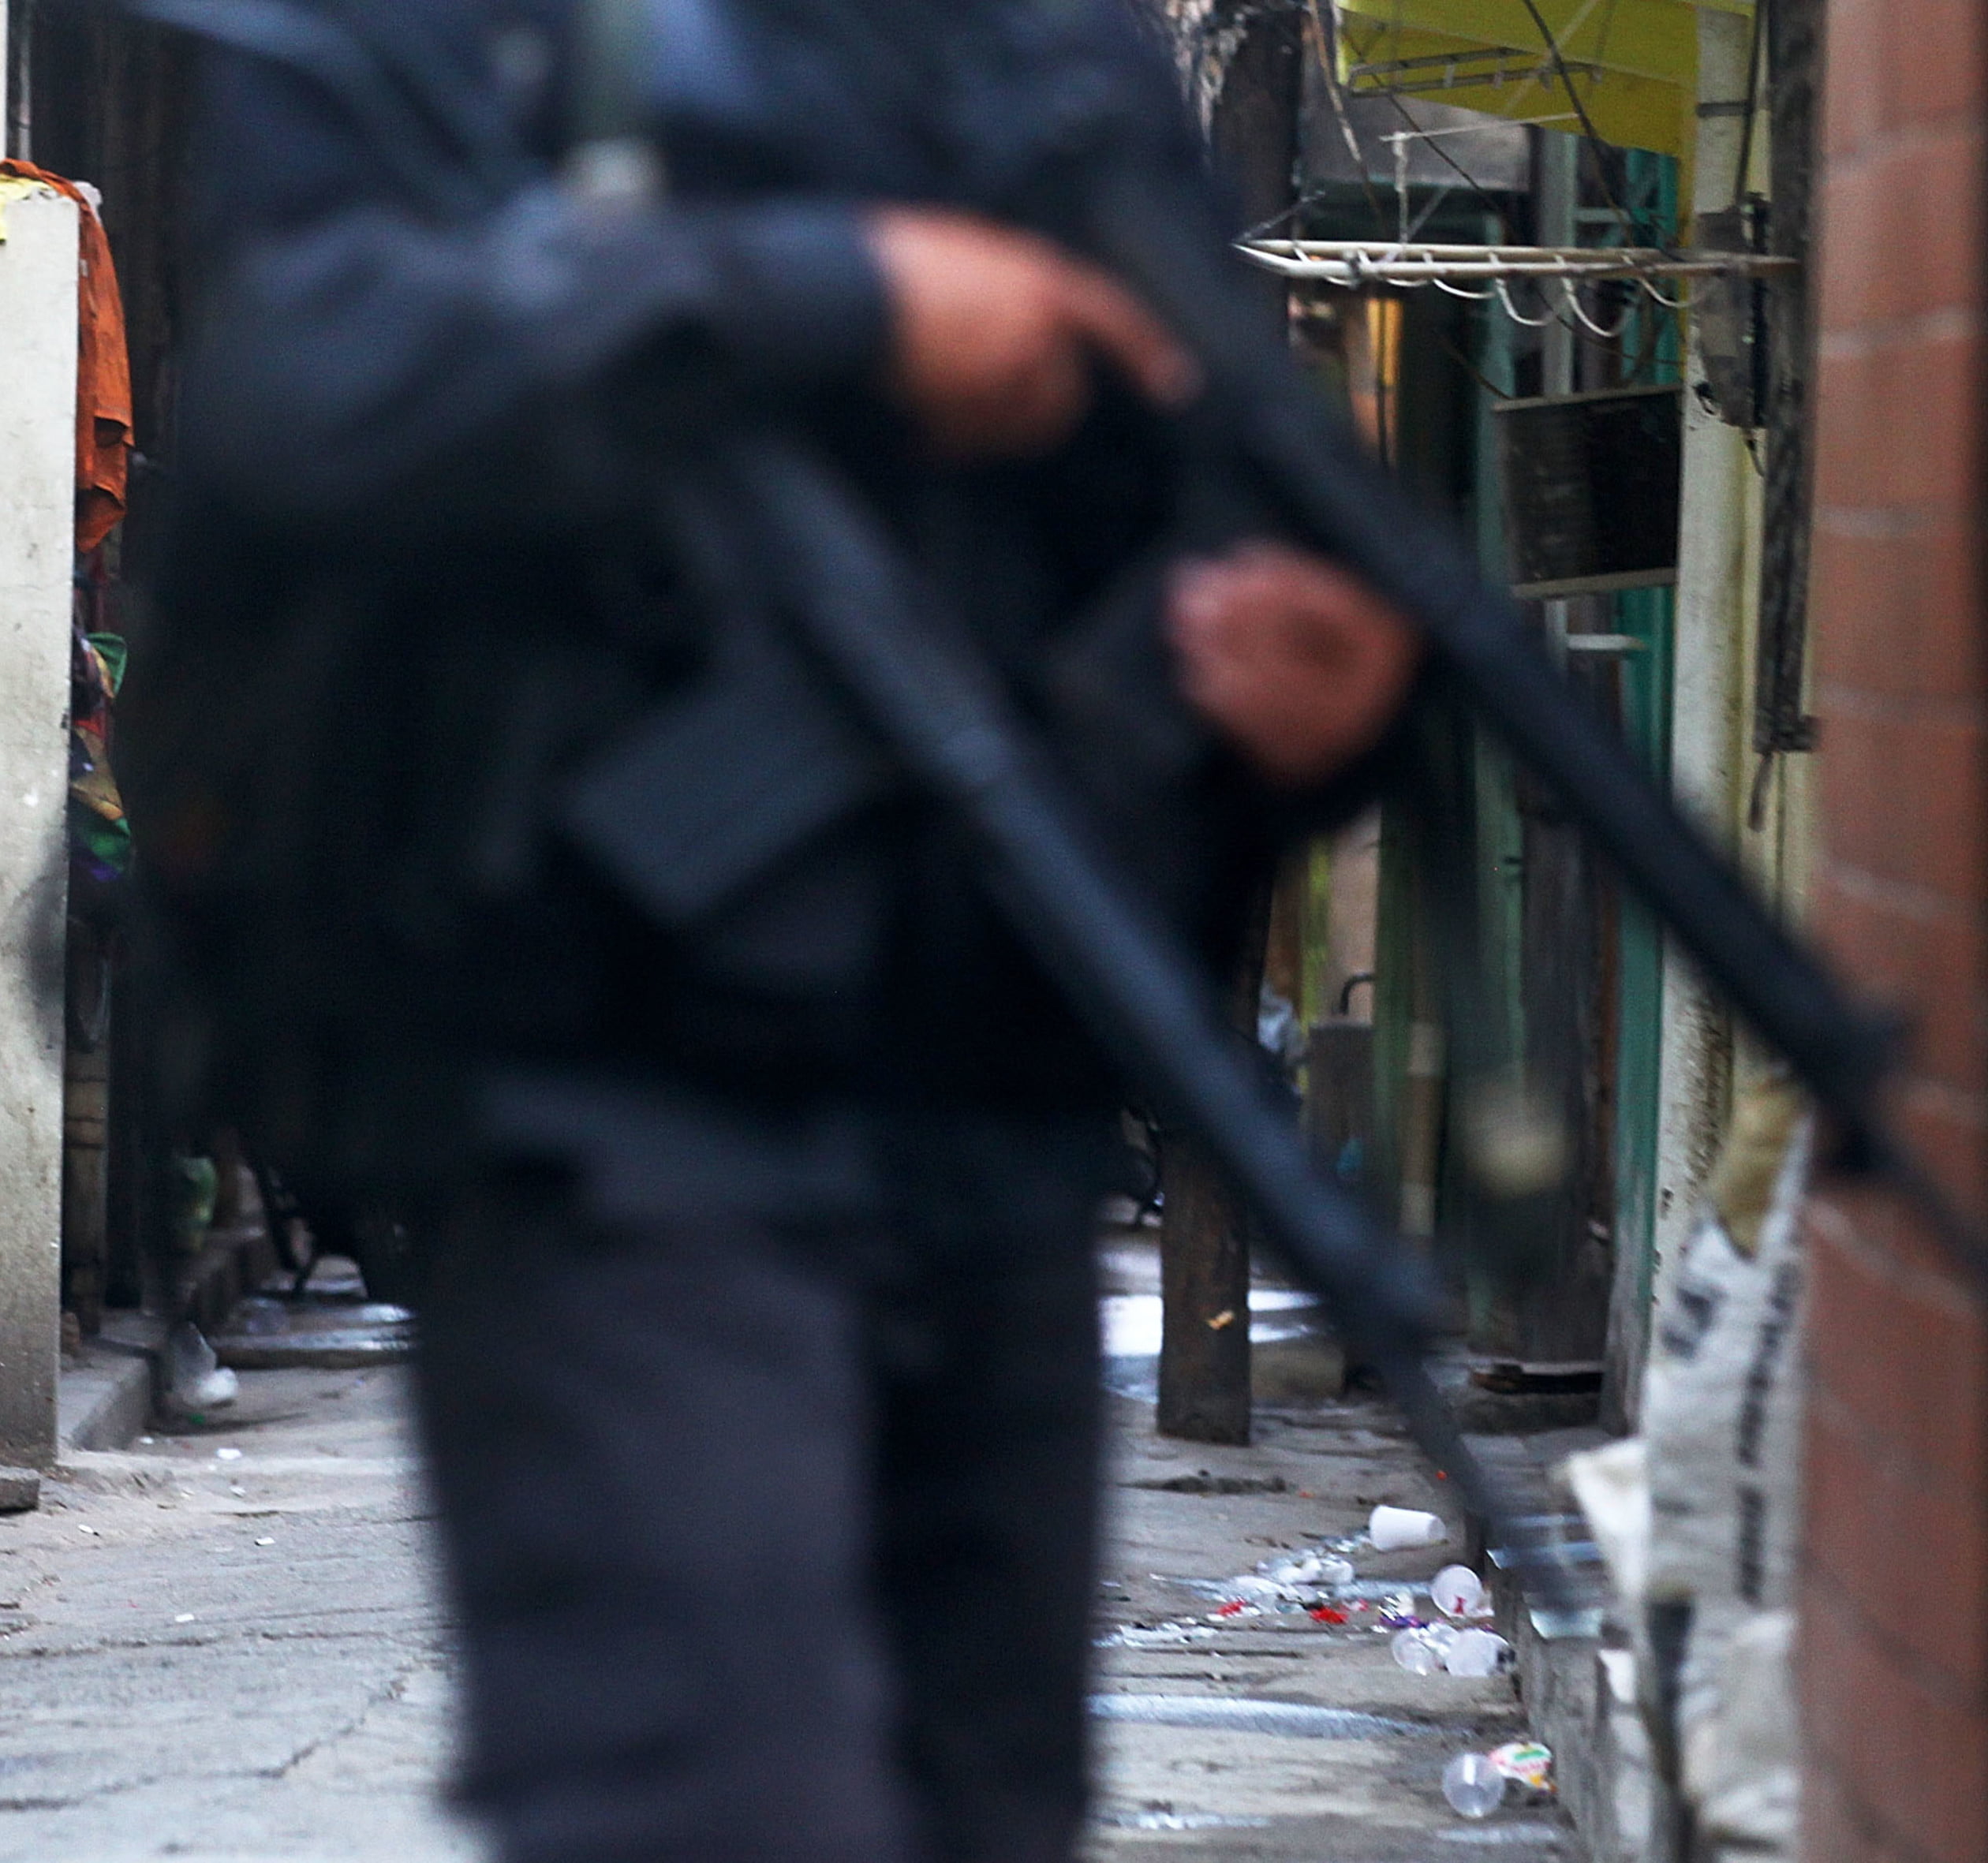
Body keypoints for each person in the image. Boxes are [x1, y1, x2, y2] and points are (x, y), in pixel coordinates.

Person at [141, 6, 1419, 1860]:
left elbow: (1174, 459)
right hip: (604, 1102)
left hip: (990, 1115)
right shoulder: (430, 37)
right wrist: (843, 296)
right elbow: (307, 377)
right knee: (719, 1801)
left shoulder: (1044, 49)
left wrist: (1276, 682)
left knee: (978, 1809)